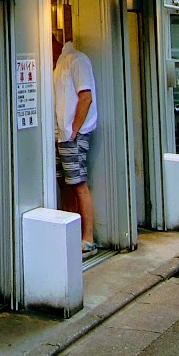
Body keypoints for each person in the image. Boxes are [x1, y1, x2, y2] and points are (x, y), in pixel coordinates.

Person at [53, 32, 98, 252]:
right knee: (65, 183)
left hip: (72, 134)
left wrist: (74, 130)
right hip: (61, 133)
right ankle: (71, 231)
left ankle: (88, 237)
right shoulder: (59, 64)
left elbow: (86, 96)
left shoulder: (76, 59)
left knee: (78, 183)